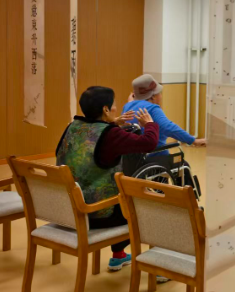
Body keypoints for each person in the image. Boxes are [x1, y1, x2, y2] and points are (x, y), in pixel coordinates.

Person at [56, 86, 159, 271]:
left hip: (68, 209)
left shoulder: (72, 127)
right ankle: (160, 267)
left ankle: (119, 255)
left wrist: (113, 123)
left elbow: (95, 137)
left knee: (120, 197)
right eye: (114, 105)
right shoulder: (111, 134)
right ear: (105, 109)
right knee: (149, 205)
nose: (116, 108)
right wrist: (150, 124)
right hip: (97, 214)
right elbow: (149, 143)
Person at [123, 74, 206, 149]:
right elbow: (169, 128)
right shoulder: (152, 108)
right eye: (159, 93)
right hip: (154, 154)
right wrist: (194, 141)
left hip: (132, 156)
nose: (161, 96)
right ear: (153, 96)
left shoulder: (127, 106)